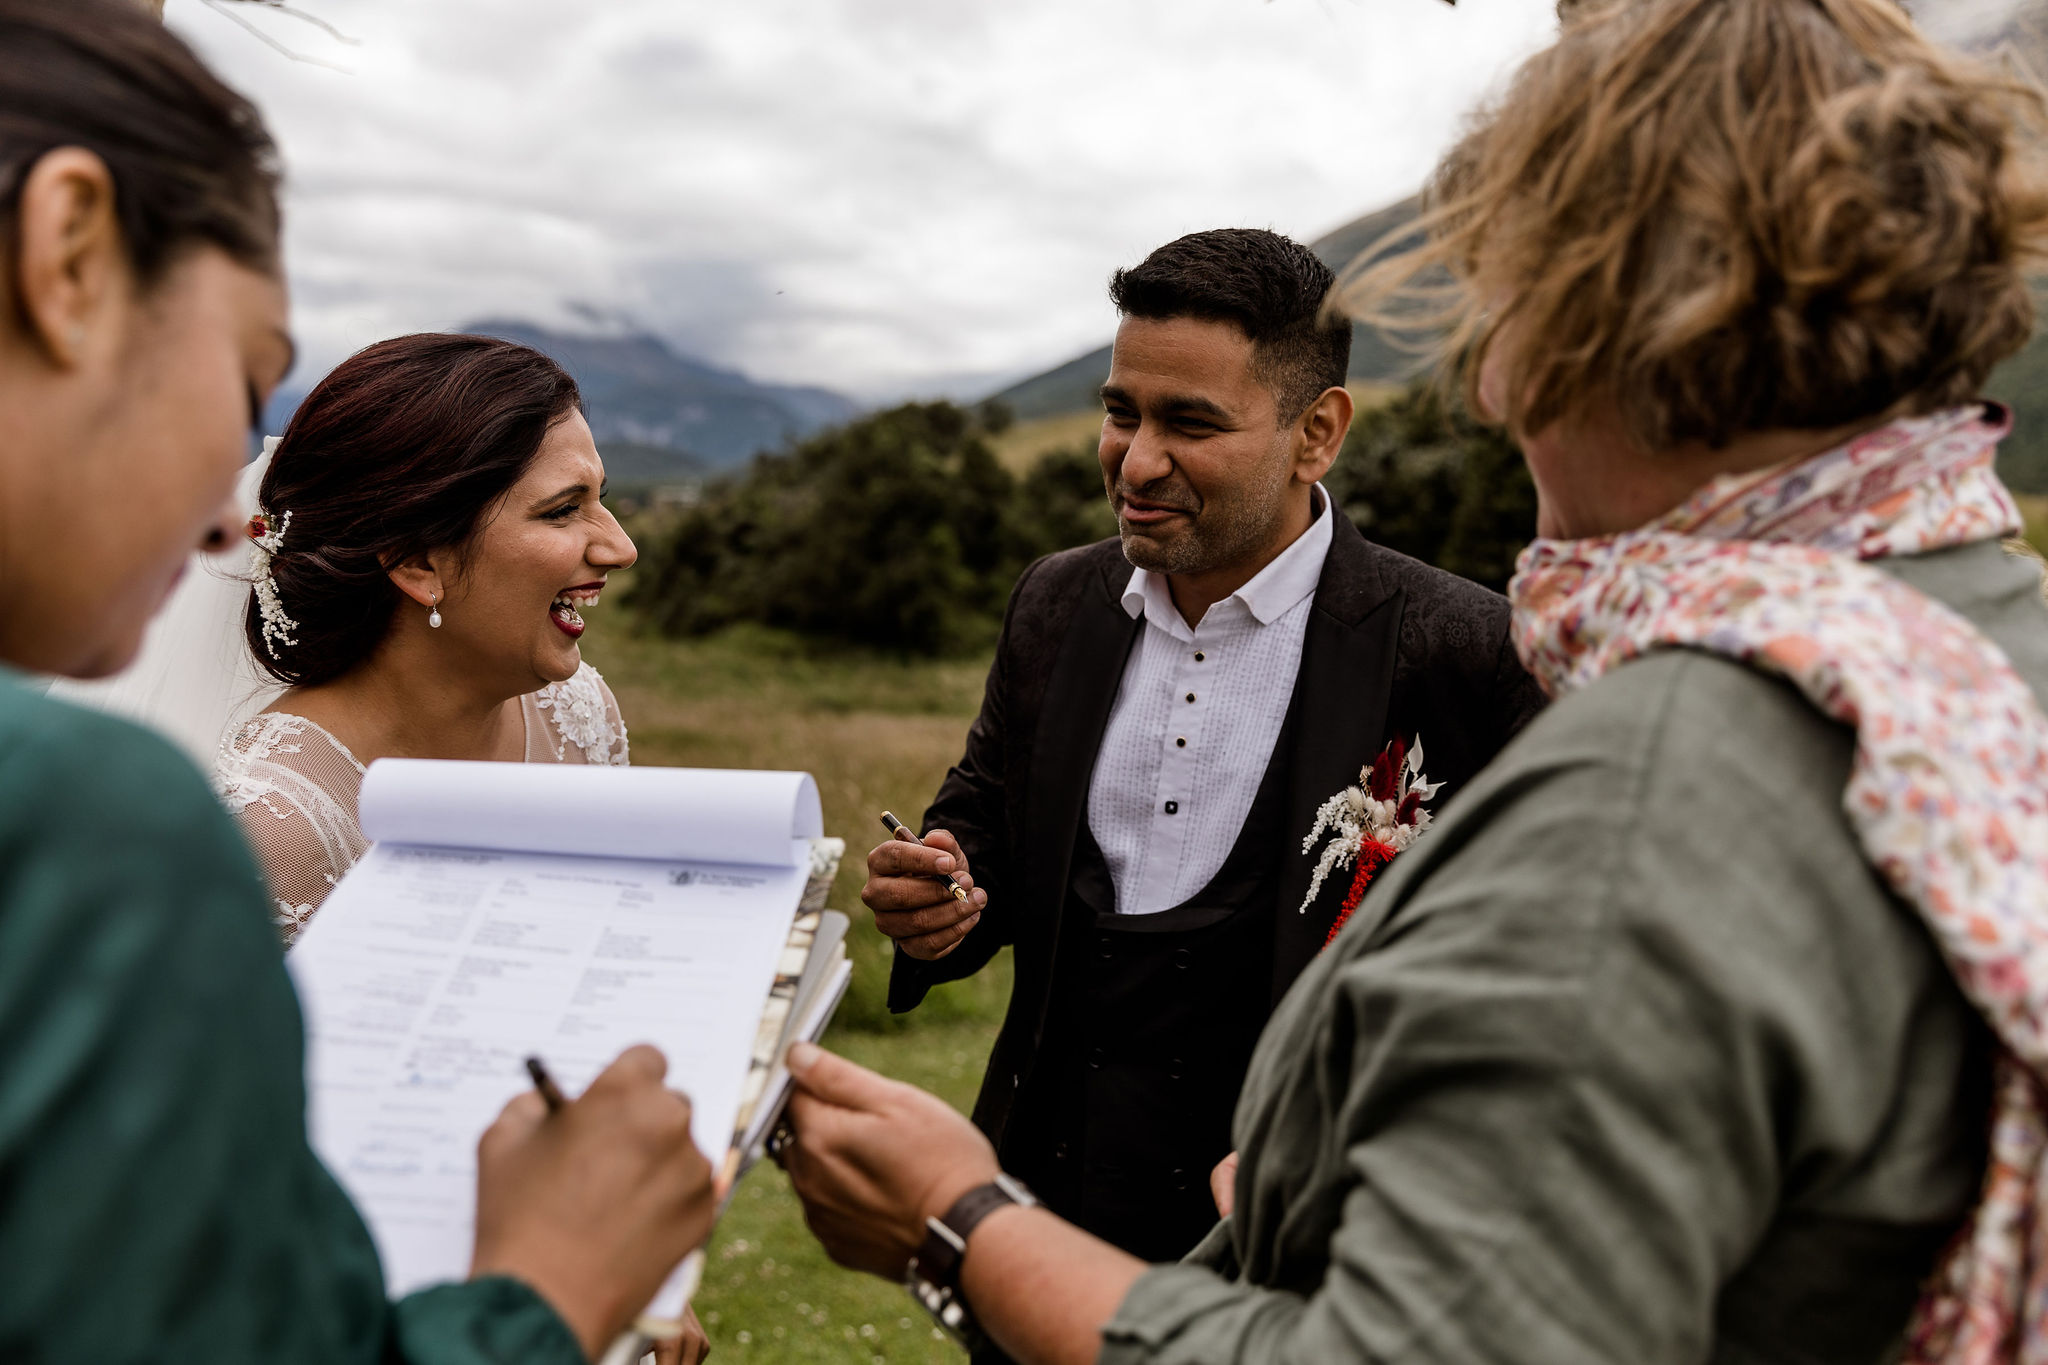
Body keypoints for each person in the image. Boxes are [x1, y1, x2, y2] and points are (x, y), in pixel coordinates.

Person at [784, 0, 2048, 1361]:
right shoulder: (1975, 641)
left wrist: (955, 1217)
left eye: (1512, 308)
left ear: (1620, 323)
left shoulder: (1633, 780)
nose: (1495, 390)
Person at [0, 3, 711, 1361]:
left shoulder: (576, 714)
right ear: (70, 254)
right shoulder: (108, 824)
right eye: (246, 374)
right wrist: (547, 1299)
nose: (235, 516)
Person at [862, 227, 1545, 1265]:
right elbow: (987, 811)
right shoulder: (1055, 601)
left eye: (1188, 422)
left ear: (1315, 433)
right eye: (1117, 410)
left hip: (1291, 1232)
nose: (1134, 461)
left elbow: (1518, 974)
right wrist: (943, 893)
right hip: (1036, 1195)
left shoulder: (1461, 648)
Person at [212, 333, 636, 944]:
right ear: (418, 564)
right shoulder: (276, 831)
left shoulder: (579, 716)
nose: (622, 548)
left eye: (601, 499)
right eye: (562, 510)